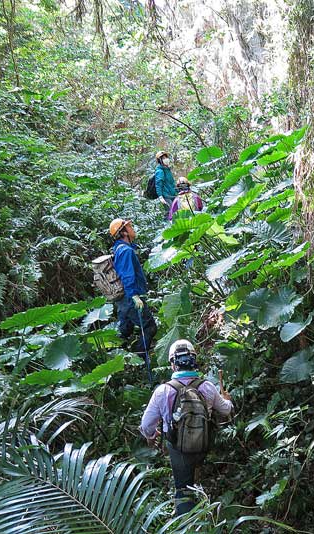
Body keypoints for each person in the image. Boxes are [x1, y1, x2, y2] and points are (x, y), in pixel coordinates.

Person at [140, 339, 233, 516]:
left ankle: (187, 522)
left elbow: (146, 425)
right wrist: (227, 399)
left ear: (173, 365)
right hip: (204, 444)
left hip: (178, 448)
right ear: (194, 360)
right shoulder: (207, 386)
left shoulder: (163, 391)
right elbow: (226, 410)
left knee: (183, 489)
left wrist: (151, 436)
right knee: (197, 471)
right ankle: (204, 496)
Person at [109, 218, 157, 357]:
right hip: (130, 299)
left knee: (125, 330)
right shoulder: (125, 251)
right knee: (149, 328)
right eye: (129, 227)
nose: (132, 228)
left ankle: (117, 358)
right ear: (123, 233)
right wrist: (135, 296)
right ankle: (140, 359)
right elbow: (127, 275)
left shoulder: (120, 248)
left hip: (123, 299)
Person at [154, 151, 177, 218]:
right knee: (170, 213)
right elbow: (158, 184)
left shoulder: (167, 169)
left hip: (172, 195)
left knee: (176, 212)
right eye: (163, 158)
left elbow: (171, 183)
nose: (166, 159)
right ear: (160, 160)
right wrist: (160, 196)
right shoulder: (160, 171)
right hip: (166, 196)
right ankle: (166, 227)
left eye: (166, 157)